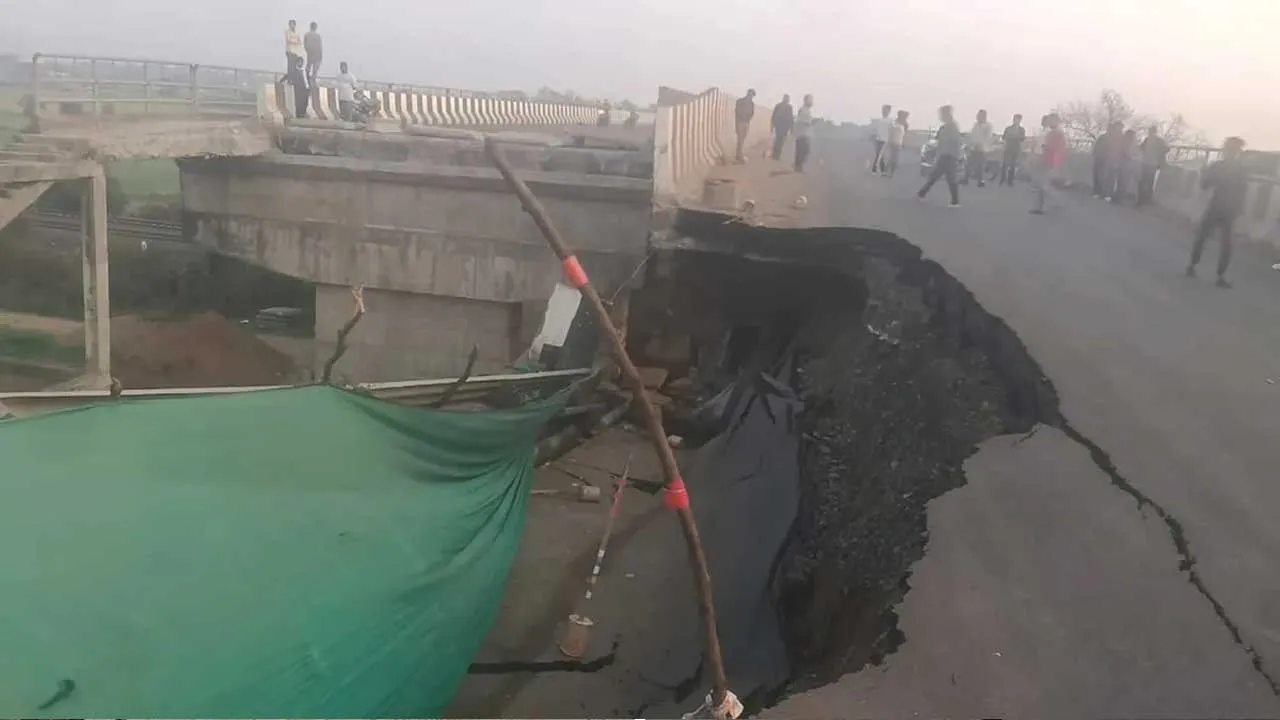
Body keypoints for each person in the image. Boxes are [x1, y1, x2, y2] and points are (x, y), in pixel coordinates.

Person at [1187, 137, 1248, 288]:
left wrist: (1205, 174)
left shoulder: (1227, 167)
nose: (1234, 153)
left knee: (1209, 239)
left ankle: (1196, 267)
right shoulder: (1233, 168)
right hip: (1222, 208)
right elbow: (1206, 185)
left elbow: (1205, 185)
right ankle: (1206, 270)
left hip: (1224, 208)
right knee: (1215, 241)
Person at [917, 105, 962, 207]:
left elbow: (954, 142)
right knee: (944, 177)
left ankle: (922, 193)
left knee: (941, 176)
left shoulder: (951, 127)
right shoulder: (947, 126)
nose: (940, 116)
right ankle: (954, 201)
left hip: (949, 155)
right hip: (946, 154)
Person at [1031, 112, 1068, 215]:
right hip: (1045, 159)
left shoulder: (1059, 133)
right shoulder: (1050, 132)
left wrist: (1056, 163)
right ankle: (1039, 207)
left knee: (1044, 185)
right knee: (1041, 185)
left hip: (1051, 161)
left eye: (1052, 121)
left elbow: (1060, 149)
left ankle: (1059, 201)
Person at [1137, 124, 1169, 206]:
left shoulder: (1149, 139)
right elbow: (1167, 149)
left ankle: (1141, 200)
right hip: (1151, 163)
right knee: (1148, 182)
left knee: (1144, 182)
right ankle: (1145, 200)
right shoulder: (1157, 140)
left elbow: (1140, 148)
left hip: (1148, 163)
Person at [963, 109, 994, 187]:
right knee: (969, 163)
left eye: (979, 115)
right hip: (974, 147)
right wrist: (969, 144)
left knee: (980, 165)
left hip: (981, 148)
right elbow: (972, 135)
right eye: (978, 115)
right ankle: (966, 179)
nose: (978, 117)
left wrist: (982, 145)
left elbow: (987, 137)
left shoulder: (988, 126)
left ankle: (980, 181)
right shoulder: (975, 125)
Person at [1092, 121, 1121, 198]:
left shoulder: (1113, 138)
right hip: (1101, 159)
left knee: (1106, 178)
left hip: (1107, 160)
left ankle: (1101, 193)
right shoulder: (1104, 137)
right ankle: (1099, 193)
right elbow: (1096, 147)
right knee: (1100, 177)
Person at [1112, 129, 1139, 203]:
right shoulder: (1127, 142)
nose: (1135, 137)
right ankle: (1117, 198)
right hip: (1124, 165)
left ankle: (1117, 198)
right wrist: (1135, 158)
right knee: (1123, 182)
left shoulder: (1123, 141)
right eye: (1134, 135)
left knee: (1121, 182)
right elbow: (1127, 153)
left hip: (1122, 164)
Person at [1000, 114, 1027, 186]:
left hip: (1016, 149)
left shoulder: (1022, 129)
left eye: (1018, 119)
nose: (1016, 121)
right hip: (1008, 148)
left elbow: (1022, 138)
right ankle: (1002, 179)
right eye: (1015, 119)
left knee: (1013, 165)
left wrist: (1013, 137)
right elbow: (1004, 137)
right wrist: (1014, 137)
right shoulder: (1008, 128)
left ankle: (1010, 181)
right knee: (1005, 164)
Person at [793, 94, 815, 172]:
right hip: (802, 134)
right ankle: (798, 167)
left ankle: (798, 167)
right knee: (804, 151)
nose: (812, 102)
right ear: (805, 100)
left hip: (804, 133)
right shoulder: (803, 110)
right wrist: (810, 123)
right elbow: (800, 120)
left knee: (803, 151)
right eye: (810, 100)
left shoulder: (807, 110)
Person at [734, 89, 756, 163]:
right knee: (740, 139)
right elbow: (737, 112)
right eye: (750, 94)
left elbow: (752, 113)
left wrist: (748, 118)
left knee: (742, 139)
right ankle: (739, 155)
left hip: (746, 122)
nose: (751, 96)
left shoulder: (752, 104)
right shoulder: (740, 101)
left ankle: (738, 155)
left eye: (752, 95)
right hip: (740, 122)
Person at [770, 94, 794, 161]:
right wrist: (772, 125)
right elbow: (774, 116)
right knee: (778, 140)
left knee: (780, 141)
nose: (786, 99)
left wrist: (791, 128)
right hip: (779, 126)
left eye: (787, 98)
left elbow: (790, 118)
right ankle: (776, 155)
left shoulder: (789, 107)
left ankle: (776, 155)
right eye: (785, 98)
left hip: (784, 127)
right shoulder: (778, 106)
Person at [886, 110, 909, 177]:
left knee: (894, 159)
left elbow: (904, 134)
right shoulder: (898, 123)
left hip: (897, 142)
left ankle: (890, 172)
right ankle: (888, 171)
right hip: (895, 142)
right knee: (892, 158)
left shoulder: (904, 124)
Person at [872, 104, 892, 175]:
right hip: (879, 139)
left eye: (885, 110)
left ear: (889, 111)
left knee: (881, 155)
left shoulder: (890, 121)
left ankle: (878, 170)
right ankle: (877, 170)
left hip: (885, 140)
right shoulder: (879, 120)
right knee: (879, 155)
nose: (883, 112)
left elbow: (891, 130)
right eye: (883, 110)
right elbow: (876, 130)